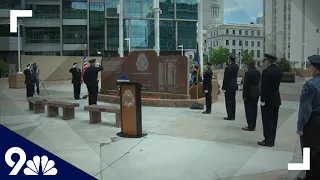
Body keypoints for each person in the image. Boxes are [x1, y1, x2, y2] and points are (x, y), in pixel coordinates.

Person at [296, 55, 320, 180]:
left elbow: (305, 109)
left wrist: (300, 126)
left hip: (313, 122)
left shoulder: (310, 85)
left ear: (315, 68)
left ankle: (310, 177)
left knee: (308, 151)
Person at [258, 53, 283, 147]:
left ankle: (267, 139)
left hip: (268, 99)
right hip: (276, 98)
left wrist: (262, 99)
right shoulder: (280, 70)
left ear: (268, 61)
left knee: (267, 120)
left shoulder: (266, 71)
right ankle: (272, 139)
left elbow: (265, 87)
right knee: (274, 120)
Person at [242, 60, 261, 131]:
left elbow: (246, 85)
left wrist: (244, 95)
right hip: (256, 92)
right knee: (254, 109)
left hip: (249, 92)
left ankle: (250, 125)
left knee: (249, 109)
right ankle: (253, 124)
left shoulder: (248, 73)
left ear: (248, 65)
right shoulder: (258, 72)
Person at [222, 53, 239, 120]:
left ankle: (230, 115)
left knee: (228, 101)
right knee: (233, 101)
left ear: (229, 59)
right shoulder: (236, 66)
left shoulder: (228, 68)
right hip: (234, 85)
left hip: (228, 86)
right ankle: (233, 115)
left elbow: (226, 78)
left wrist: (224, 87)